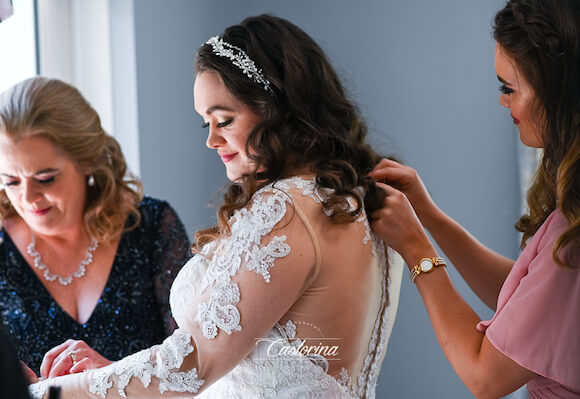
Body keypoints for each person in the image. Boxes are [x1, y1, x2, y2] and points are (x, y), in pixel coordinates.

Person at [28, 14, 403, 399]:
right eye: (204, 122)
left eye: (223, 120)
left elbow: (193, 365)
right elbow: (252, 368)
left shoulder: (286, 209)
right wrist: (113, 373)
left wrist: (46, 392)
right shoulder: (354, 198)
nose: (211, 140)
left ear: (277, 108)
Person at [370, 0, 580, 397]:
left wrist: (415, 248)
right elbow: (530, 304)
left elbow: (485, 376)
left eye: (509, 88)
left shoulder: (577, 227)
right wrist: (429, 216)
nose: (502, 101)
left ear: (559, 91)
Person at [0, 77, 190, 380]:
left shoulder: (152, 228)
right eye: (10, 181)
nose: (27, 198)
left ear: (87, 160)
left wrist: (116, 377)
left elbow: (197, 367)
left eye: (46, 178)